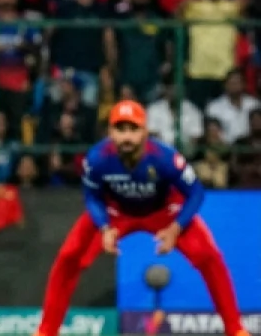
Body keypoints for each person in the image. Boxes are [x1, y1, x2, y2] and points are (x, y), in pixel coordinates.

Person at [35, 100, 246, 336]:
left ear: (145, 131)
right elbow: (92, 197)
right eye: (120, 129)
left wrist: (176, 228)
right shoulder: (96, 159)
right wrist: (104, 227)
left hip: (164, 211)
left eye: (133, 129)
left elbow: (195, 192)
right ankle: (46, 331)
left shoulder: (165, 158)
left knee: (210, 256)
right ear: (110, 132)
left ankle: (235, 330)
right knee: (68, 257)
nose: (127, 137)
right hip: (116, 212)